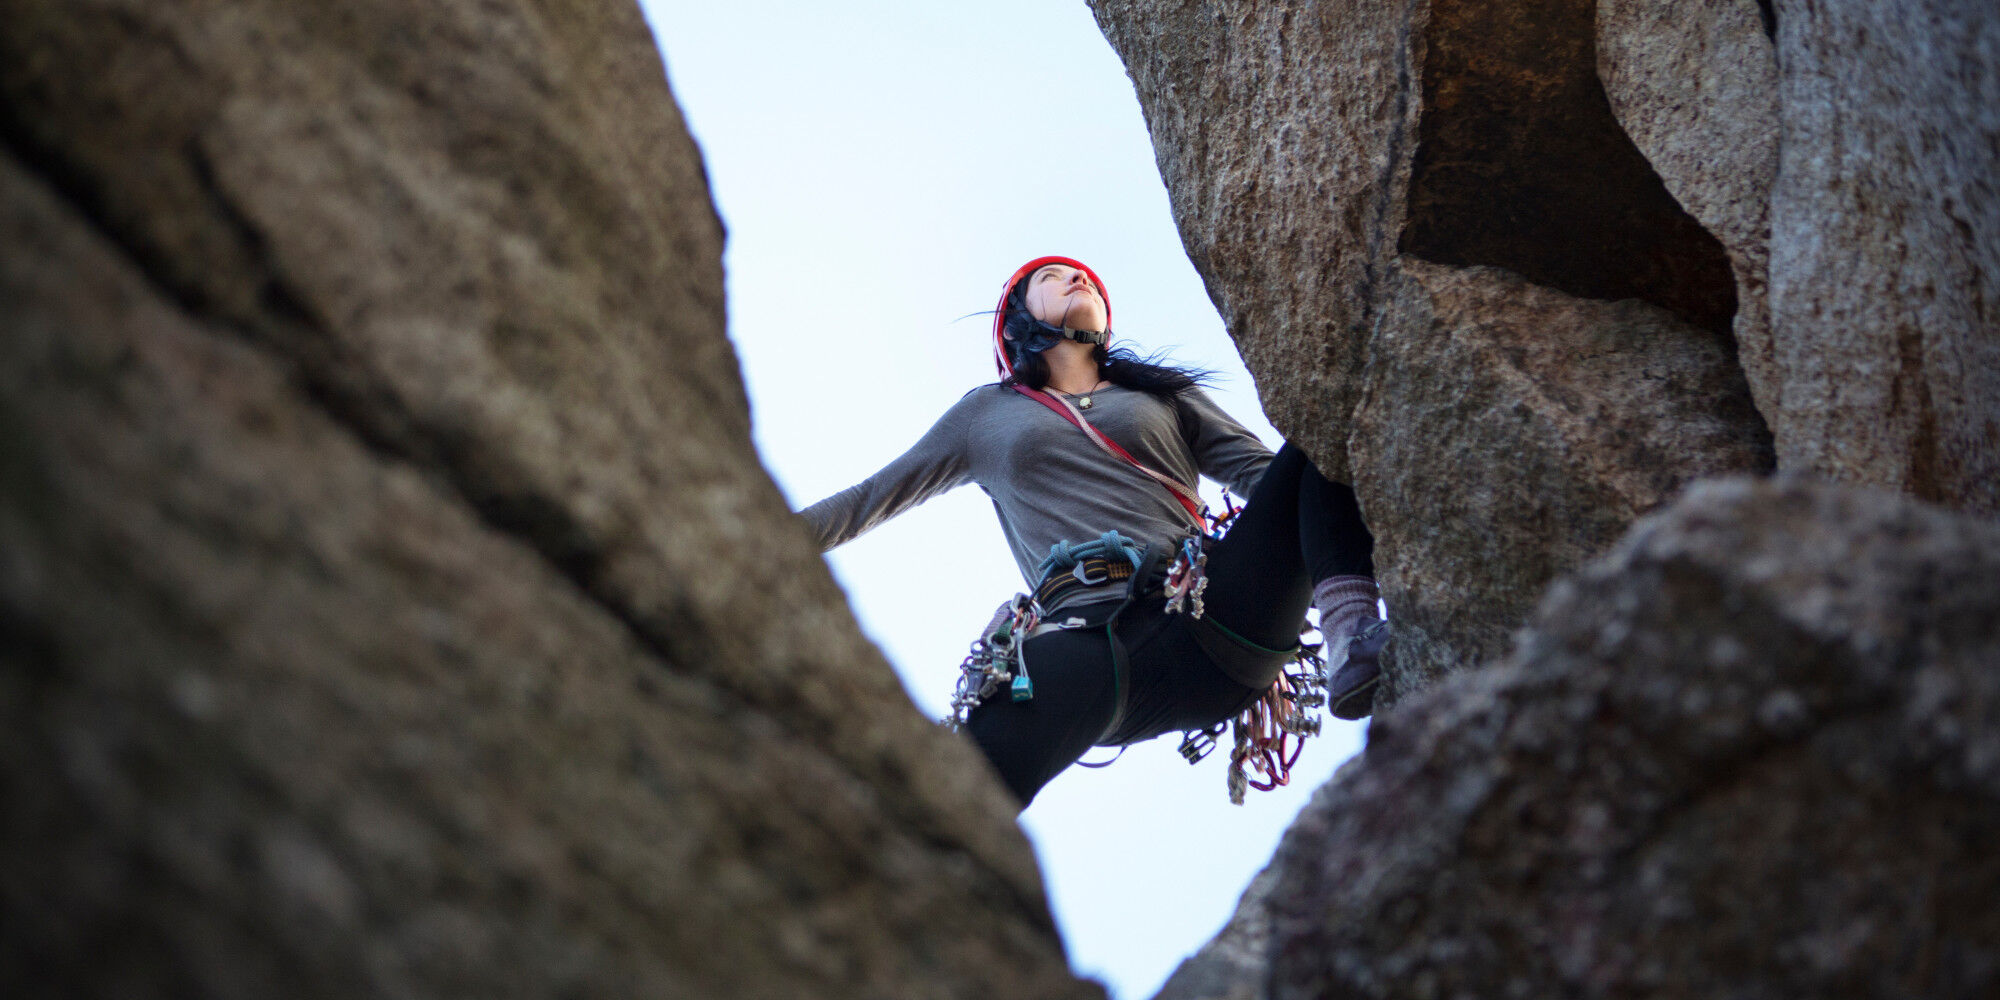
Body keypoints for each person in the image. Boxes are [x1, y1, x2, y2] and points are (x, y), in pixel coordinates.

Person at [801, 256, 1386, 808]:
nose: (1076, 279)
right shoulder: (985, 416)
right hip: (1085, 636)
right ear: (1019, 318)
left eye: (1084, 277)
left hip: (1216, 607)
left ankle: (1352, 635)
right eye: (1053, 278)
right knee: (954, 791)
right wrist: (762, 534)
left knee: (1318, 435)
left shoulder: (1160, 394)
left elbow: (1268, 478)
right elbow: (869, 499)